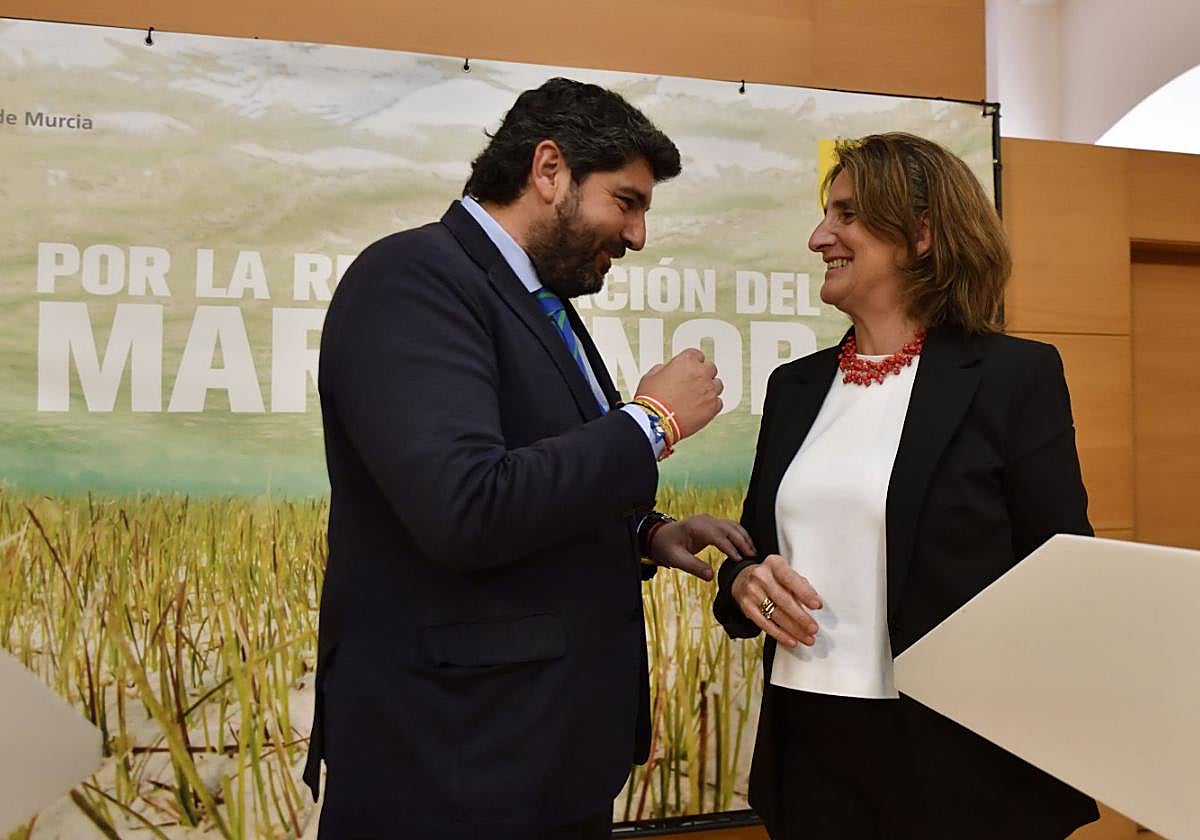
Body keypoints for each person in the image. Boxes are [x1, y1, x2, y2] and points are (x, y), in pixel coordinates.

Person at [304, 77, 754, 840]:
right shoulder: (412, 279)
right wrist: (652, 422)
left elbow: (536, 474)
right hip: (452, 765)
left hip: (541, 762)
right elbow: (465, 508)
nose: (638, 235)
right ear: (550, 171)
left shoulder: (540, 304)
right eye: (628, 201)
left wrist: (645, 532)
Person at [713, 133, 1100, 839]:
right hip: (809, 746)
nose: (818, 236)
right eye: (826, 214)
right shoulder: (794, 388)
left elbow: (1062, 569)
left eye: (847, 215)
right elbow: (756, 553)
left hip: (956, 755)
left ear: (921, 235)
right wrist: (742, 581)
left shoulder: (1014, 377)